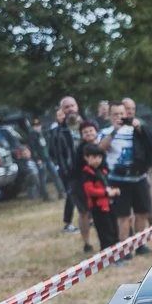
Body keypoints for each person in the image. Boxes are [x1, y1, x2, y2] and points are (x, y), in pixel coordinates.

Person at [119, 97, 152, 228]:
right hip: (125, 171)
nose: (130, 111)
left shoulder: (141, 124)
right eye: (127, 108)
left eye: (132, 109)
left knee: (148, 199)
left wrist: (139, 128)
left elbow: (151, 142)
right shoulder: (117, 128)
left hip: (145, 168)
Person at [75, 139, 119, 249]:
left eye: (99, 157)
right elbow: (90, 190)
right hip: (98, 207)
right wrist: (106, 193)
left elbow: (108, 183)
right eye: (93, 157)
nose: (97, 160)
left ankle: (117, 250)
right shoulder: (87, 173)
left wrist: (114, 189)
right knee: (104, 230)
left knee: (114, 227)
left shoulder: (102, 171)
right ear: (86, 158)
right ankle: (107, 252)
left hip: (109, 205)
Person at [47, 98, 81, 232]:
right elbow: (52, 150)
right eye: (67, 107)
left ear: (77, 106)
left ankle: (90, 219)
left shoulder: (84, 123)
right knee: (72, 194)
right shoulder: (58, 129)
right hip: (68, 167)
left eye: (72, 105)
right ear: (62, 110)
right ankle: (68, 222)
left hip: (86, 164)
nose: (70, 108)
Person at [25, 115, 52, 201]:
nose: (37, 127)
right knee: (42, 178)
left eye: (38, 125)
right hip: (40, 159)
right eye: (35, 125)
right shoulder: (32, 135)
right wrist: (37, 159)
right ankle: (45, 196)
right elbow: (33, 149)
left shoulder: (43, 133)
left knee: (51, 175)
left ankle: (58, 192)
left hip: (47, 157)